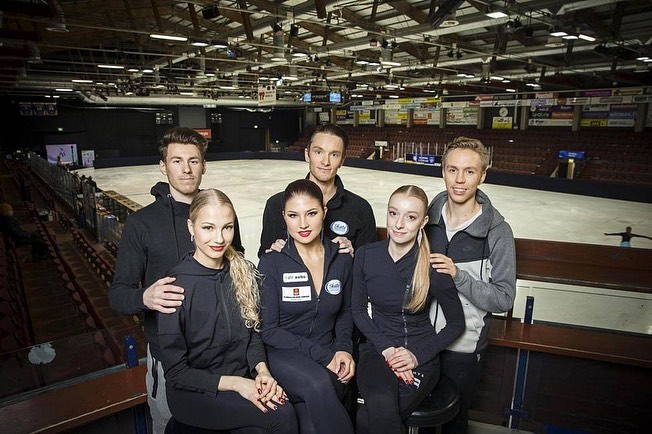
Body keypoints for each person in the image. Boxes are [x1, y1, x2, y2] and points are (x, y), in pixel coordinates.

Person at [108, 127, 244, 434]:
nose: (186, 169)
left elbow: (237, 268)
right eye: (177, 161)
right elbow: (118, 294)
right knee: (170, 426)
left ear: (204, 166)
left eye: (193, 161)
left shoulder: (220, 213)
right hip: (170, 360)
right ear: (163, 166)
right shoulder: (141, 223)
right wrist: (144, 297)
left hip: (224, 358)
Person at [157, 189, 298, 433]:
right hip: (195, 392)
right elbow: (177, 372)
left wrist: (262, 371)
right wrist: (237, 384)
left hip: (241, 378)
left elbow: (253, 334)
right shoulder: (175, 286)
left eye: (227, 227)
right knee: (282, 415)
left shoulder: (242, 272)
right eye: (208, 228)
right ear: (191, 227)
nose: (219, 238)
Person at [352, 185, 464, 434]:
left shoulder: (432, 266)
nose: (399, 224)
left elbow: (457, 324)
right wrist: (387, 350)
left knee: (368, 421)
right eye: (393, 213)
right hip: (378, 350)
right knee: (374, 412)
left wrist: (415, 356)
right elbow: (358, 311)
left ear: (423, 222)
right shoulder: (366, 255)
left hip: (420, 355)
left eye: (410, 217)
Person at [425, 136, 516, 434]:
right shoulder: (427, 220)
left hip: (463, 349)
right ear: (443, 171)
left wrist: (459, 276)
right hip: (421, 342)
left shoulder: (498, 233)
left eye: (469, 171)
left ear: (483, 175)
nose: (460, 180)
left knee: (454, 424)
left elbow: (504, 298)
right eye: (453, 170)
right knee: (419, 420)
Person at [258, 179, 355, 434]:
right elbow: (268, 330)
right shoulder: (272, 262)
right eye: (293, 215)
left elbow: (345, 312)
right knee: (318, 383)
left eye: (311, 213)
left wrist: (343, 349)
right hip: (283, 353)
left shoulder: (342, 259)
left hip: (328, 351)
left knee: (310, 425)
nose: (302, 224)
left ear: (324, 212)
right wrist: (325, 357)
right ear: (284, 217)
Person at [258, 123, 377, 258]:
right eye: (318, 152)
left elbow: (370, 263)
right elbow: (264, 257)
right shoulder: (276, 204)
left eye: (334, 155)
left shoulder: (360, 209)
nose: (325, 162)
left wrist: (353, 256)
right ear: (307, 154)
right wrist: (273, 252)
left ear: (342, 160)